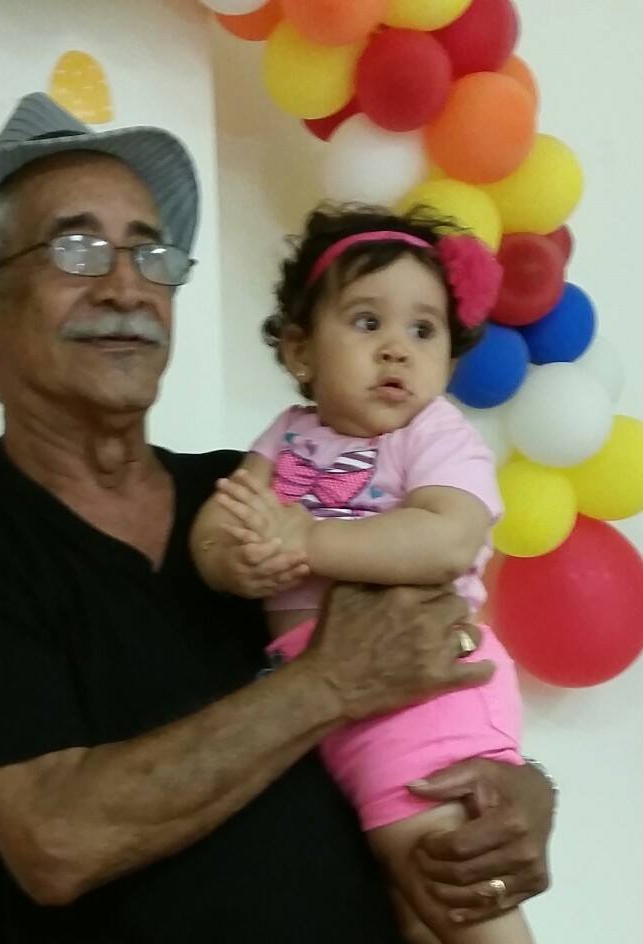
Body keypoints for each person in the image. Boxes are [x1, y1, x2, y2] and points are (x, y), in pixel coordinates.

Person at [0, 93, 556, 944]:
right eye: (77, 248)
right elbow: (56, 839)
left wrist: (517, 788)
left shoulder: (251, 497)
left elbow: (425, 655)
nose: (127, 286)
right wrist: (328, 682)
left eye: (152, 255)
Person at [192, 206, 535, 944]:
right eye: (366, 322)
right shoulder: (286, 437)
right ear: (300, 350)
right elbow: (221, 520)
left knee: (450, 882)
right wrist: (231, 559)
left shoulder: (432, 435)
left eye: (423, 330)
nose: (396, 350)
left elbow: (447, 539)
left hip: (424, 691)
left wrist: (309, 541)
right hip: (336, 696)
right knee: (407, 908)